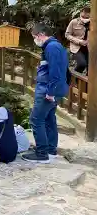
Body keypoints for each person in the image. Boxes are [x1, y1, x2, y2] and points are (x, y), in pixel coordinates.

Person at [22, 23, 69, 163]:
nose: (35, 40)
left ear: (41, 34)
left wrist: (51, 91)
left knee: (36, 120)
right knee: (49, 119)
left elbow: (55, 71)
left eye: (34, 37)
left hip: (47, 89)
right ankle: (50, 149)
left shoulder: (52, 47)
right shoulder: (56, 46)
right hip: (52, 88)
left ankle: (42, 152)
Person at [65, 7, 90, 74]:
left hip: (89, 48)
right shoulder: (74, 22)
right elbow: (67, 35)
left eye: (87, 17)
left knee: (90, 68)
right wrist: (79, 41)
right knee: (82, 64)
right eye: (84, 17)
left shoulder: (93, 23)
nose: (85, 19)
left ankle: (86, 84)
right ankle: (73, 78)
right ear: (81, 13)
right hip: (76, 48)